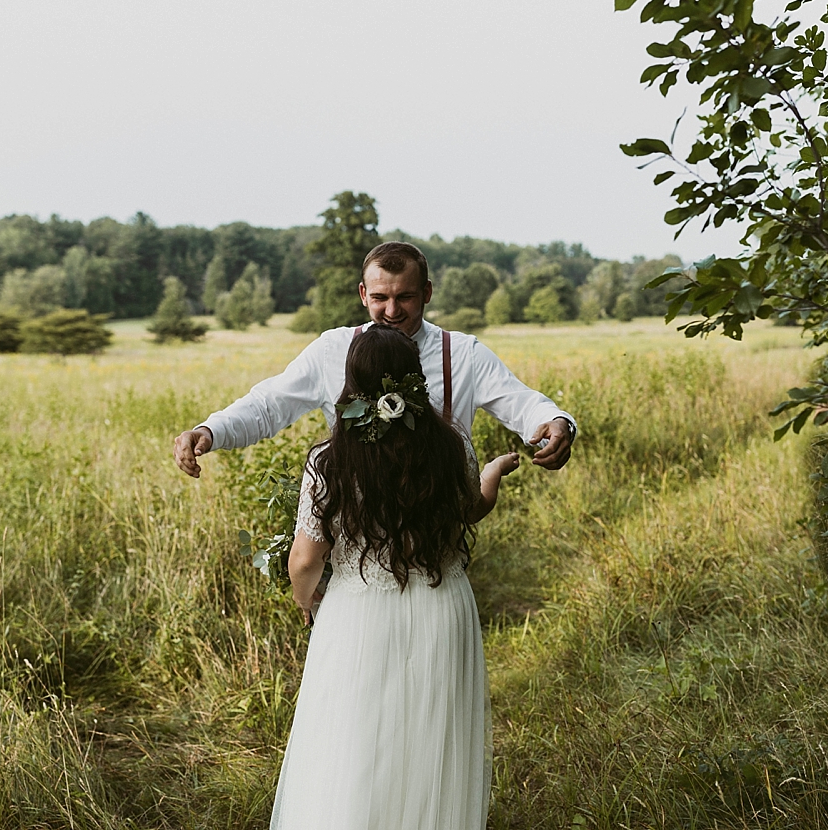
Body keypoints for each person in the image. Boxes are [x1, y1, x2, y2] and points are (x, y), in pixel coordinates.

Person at [271, 325, 520, 829]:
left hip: (358, 612)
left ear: (351, 383)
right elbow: (470, 509)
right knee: (432, 741)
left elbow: (304, 559)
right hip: (442, 603)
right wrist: (491, 472)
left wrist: (307, 600)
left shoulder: (330, 461)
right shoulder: (452, 445)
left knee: (355, 743)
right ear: (416, 379)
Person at [172, 241, 576, 477]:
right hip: (354, 533)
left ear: (428, 293)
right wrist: (210, 431)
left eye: (405, 297)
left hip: (442, 536)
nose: (392, 311)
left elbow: (520, 401)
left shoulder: (463, 353)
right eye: (380, 298)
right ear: (364, 295)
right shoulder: (332, 350)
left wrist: (557, 423)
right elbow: (269, 404)